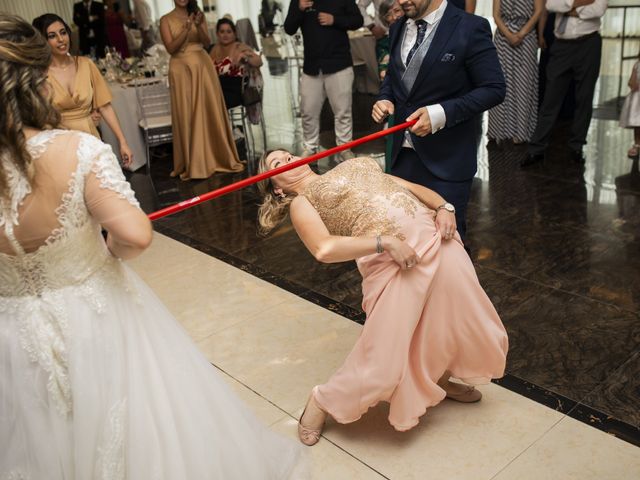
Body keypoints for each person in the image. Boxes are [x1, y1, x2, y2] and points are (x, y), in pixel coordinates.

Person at [0, 13, 303, 478]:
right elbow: (136, 236)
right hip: (92, 314)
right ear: (35, 80)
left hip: (14, 333)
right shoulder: (76, 152)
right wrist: (101, 253)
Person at [257, 150, 509, 446]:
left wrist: (444, 207)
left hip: (436, 240)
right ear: (276, 186)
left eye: (288, 155)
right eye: (277, 164)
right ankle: (322, 401)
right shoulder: (302, 201)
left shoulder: (350, 165)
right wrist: (385, 242)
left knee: (453, 321)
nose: (287, 160)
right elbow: (323, 249)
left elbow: (408, 187)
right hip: (395, 264)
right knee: (382, 359)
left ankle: (439, 381)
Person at [372, 0, 506, 242]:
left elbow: (494, 88)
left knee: (446, 246)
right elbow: (394, 76)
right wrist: (384, 98)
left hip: (446, 161)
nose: (401, 2)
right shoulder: (398, 27)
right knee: (404, 240)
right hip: (400, 160)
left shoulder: (470, 27)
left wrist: (440, 114)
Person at [32, 14, 134, 167]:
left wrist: (123, 142)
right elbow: (36, 117)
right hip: (59, 145)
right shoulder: (38, 74)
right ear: (42, 41)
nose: (61, 39)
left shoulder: (86, 65)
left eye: (63, 32)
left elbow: (104, 106)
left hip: (91, 140)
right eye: (52, 36)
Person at [160, 0, 244, 180]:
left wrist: (197, 26)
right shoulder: (165, 20)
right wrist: (186, 27)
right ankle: (193, 162)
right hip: (180, 69)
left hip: (202, 66)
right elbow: (171, 48)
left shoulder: (199, 15)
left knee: (207, 111)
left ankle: (216, 157)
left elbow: (207, 42)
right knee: (187, 112)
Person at [523, 0, 608, 167]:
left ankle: (576, 147)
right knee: (550, 99)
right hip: (561, 46)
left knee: (584, 97)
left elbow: (599, 9)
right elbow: (550, 5)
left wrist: (567, 6)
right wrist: (579, 4)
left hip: (588, 44)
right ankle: (536, 149)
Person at [284, 0, 363, 161]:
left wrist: (335, 20)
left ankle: (344, 147)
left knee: (343, 112)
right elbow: (289, 28)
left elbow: (357, 20)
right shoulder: (299, 1)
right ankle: (310, 147)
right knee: (308, 111)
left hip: (339, 64)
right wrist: (299, 9)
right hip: (312, 66)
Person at [488, 0, 544, 144]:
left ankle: (521, 132)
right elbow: (495, 15)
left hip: (527, 37)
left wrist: (521, 34)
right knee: (500, 84)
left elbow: (538, 11)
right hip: (502, 38)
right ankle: (498, 131)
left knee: (524, 85)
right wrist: (509, 34)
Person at [210, 18, 263, 109]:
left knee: (212, 100)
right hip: (217, 88)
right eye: (222, 32)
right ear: (217, 34)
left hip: (235, 90)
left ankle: (221, 123)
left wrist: (245, 57)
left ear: (234, 34)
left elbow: (259, 61)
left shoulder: (239, 47)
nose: (225, 35)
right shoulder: (214, 49)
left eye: (229, 32)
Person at [620, 57, 640, 159]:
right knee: (637, 123)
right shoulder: (637, 64)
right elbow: (631, 81)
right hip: (638, 97)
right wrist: (633, 83)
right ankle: (637, 144)